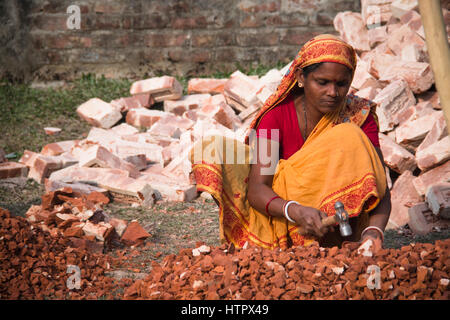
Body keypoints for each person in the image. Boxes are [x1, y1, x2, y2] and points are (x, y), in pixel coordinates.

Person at [191, 34, 391, 253]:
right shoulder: (276, 116)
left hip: (333, 227)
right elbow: (258, 188)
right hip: (284, 212)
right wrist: (295, 210)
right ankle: (268, 239)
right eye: (322, 82)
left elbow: (379, 185)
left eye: (341, 84)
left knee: (348, 135)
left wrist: (374, 233)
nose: (333, 93)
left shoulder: (359, 116)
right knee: (212, 149)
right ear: (301, 77)